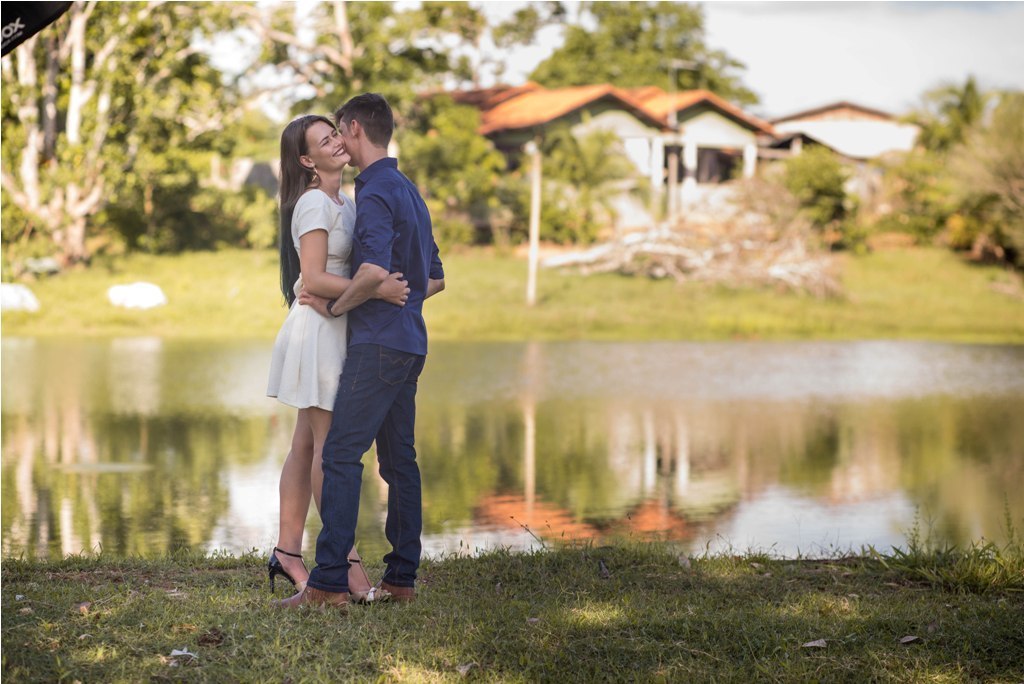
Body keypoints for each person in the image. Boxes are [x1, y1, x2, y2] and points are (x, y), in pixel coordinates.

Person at [275, 93, 445, 610]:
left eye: (336, 132)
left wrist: (342, 304)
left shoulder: (369, 192)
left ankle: (327, 585)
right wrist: (391, 291)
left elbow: (370, 273)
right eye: (323, 139)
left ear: (352, 129)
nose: (336, 141)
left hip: (373, 342)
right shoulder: (407, 188)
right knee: (398, 463)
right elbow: (434, 278)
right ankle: (400, 579)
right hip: (408, 342)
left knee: (340, 455)